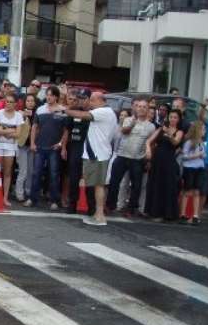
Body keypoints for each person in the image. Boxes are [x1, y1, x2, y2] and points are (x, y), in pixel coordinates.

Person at [65, 92, 118, 226]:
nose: (90, 103)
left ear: (100, 100)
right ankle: (97, 214)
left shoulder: (104, 111)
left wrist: (64, 109)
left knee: (98, 185)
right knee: (95, 185)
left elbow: (82, 115)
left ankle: (100, 215)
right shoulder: (105, 112)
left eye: (92, 101)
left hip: (98, 154)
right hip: (95, 153)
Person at [105, 98, 154, 217]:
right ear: (135, 108)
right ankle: (110, 205)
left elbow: (151, 143)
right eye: (139, 106)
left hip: (137, 158)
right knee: (114, 181)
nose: (141, 109)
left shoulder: (151, 126)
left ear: (148, 110)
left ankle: (131, 209)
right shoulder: (127, 119)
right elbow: (124, 131)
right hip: (122, 155)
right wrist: (132, 123)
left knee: (136, 185)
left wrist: (148, 160)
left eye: (144, 107)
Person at [25, 85, 66, 209]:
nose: (49, 97)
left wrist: (60, 144)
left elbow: (66, 130)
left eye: (52, 95)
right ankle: (32, 199)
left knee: (54, 174)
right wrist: (32, 143)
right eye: (47, 95)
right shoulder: (40, 109)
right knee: (36, 173)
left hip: (54, 148)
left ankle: (54, 200)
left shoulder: (62, 110)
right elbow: (34, 127)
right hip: (40, 147)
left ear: (56, 97)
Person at [144, 109, 184, 222]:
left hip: (169, 161)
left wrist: (170, 134)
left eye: (175, 117)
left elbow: (176, 142)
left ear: (179, 119)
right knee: (155, 184)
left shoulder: (179, 131)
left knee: (166, 186)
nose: (172, 119)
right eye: (171, 117)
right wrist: (148, 150)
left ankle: (165, 213)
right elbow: (149, 141)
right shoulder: (161, 128)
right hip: (157, 159)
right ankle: (152, 211)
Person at [61, 89, 91, 213]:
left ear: (89, 99)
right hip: (74, 147)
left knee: (89, 178)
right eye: (79, 98)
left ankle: (91, 206)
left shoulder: (93, 114)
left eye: (83, 98)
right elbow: (67, 131)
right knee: (73, 177)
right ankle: (72, 204)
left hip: (89, 148)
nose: (80, 101)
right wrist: (63, 148)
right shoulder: (73, 112)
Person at [0, 93, 24, 207]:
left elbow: (18, 134)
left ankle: (4, 197)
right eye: (7, 101)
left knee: (7, 172)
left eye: (11, 102)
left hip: (10, 148)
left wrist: (3, 129)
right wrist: (11, 131)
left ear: (15, 104)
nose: (8, 104)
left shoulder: (18, 116)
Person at [180, 121, 206, 225]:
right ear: (197, 130)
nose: (204, 131)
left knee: (197, 191)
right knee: (187, 191)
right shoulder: (189, 142)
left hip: (199, 168)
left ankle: (195, 215)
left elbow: (203, 155)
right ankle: (182, 214)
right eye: (203, 129)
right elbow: (184, 157)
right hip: (189, 168)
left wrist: (203, 155)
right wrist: (196, 155)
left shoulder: (202, 142)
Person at [15, 93, 37, 202]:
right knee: (23, 170)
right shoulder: (19, 113)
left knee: (31, 170)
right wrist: (23, 116)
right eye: (28, 101)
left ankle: (28, 191)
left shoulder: (37, 114)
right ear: (25, 102)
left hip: (32, 146)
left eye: (32, 101)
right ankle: (19, 193)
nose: (30, 103)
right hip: (21, 145)